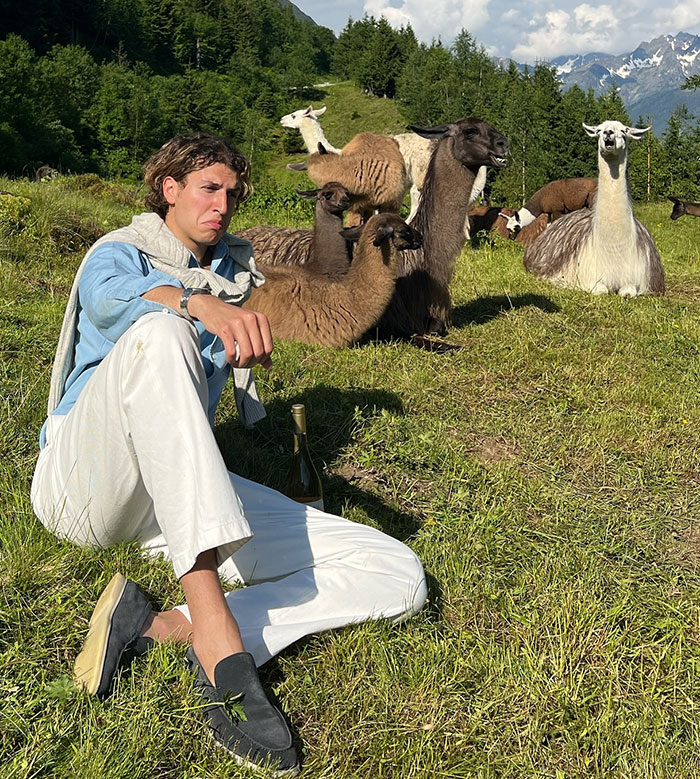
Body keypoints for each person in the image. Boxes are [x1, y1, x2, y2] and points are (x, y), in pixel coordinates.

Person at [31, 132, 427, 775]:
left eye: (233, 193)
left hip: (173, 498)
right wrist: (197, 305)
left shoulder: (234, 272)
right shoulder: (122, 254)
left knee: (398, 572)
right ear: (170, 191)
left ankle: (164, 625)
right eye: (209, 189)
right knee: (161, 332)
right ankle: (219, 638)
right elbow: (108, 304)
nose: (224, 204)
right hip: (85, 490)